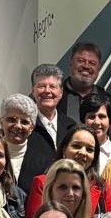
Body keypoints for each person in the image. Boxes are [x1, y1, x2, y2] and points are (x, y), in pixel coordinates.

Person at [25, 126, 109, 218]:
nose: (83, 152)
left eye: (89, 149)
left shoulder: (102, 186)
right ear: (64, 150)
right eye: (77, 146)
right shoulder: (42, 183)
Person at [18, 64, 79, 193]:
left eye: (52, 86)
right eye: (41, 86)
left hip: (66, 196)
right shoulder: (22, 125)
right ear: (33, 90)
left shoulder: (71, 126)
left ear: (61, 93)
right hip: (30, 198)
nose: (47, 91)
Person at [58, 42, 106, 121]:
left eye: (92, 63)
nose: (86, 66)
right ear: (71, 64)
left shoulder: (106, 99)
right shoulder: (55, 96)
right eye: (80, 61)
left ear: (98, 69)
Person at [0, 93, 38, 182]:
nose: (18, 126)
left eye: (24, 122)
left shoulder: (43, 160)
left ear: (32, 127)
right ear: (1, 122)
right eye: (11, 120)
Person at [80, 92, 111, 174]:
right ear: (83, 120)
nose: (97, 122)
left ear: (110, 120)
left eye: (102, 116)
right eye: (91, 117)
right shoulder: (77, 151)